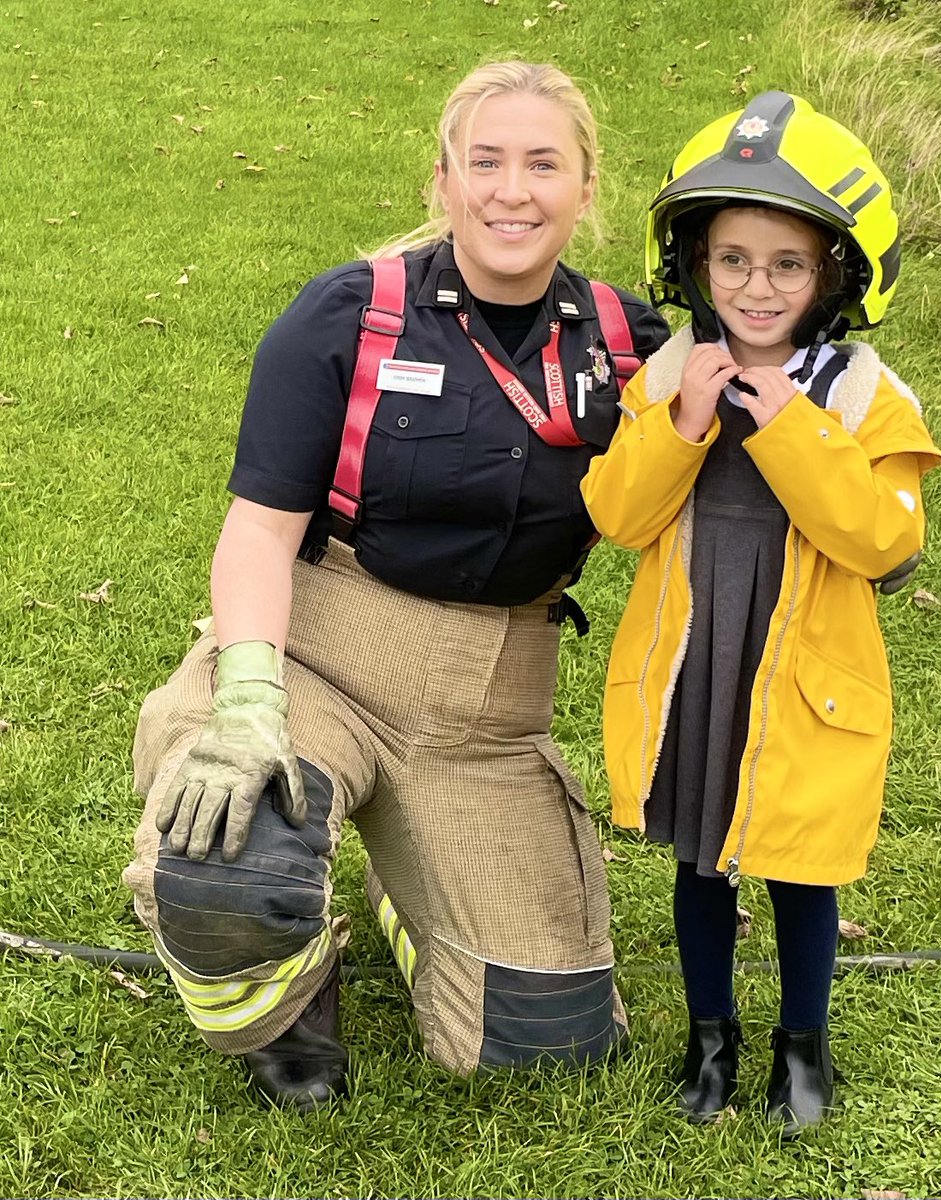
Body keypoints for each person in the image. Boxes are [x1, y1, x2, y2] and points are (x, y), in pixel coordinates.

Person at [123, 60, 670, 1111]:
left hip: (486, 710)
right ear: (444, 180)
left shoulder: (624, 342)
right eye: (487, 162)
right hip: (326, 652)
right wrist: (247, 699)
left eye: (543, 164)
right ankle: (289, 1000)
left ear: (585, 189)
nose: (512, 190)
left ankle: (399, 887)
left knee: (539, 1040)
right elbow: (256, 532)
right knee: (229, 871)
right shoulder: (349, 315)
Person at [581, 91, 941, 1135]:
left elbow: (882, 542)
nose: (757, 285)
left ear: (834, 274)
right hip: (698, 666)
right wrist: (682, 422)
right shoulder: (667, 375)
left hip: (799, 679)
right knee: (701, 860)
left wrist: (792, 429)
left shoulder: (861, 397)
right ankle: (709, 1039)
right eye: (733, 260)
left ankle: (802, 1046)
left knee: (797, 865)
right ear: (694, 267)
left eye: (786, 264)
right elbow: (615, 514)